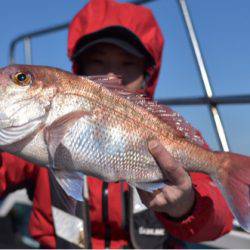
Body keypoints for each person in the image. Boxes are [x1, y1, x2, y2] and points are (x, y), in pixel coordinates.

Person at [0, 0, 233, 248]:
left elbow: (221, 219)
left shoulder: (172, 133)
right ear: (79, 68)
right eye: (97, 62)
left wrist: (187, 207)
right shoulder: (23, 138)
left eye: (128, 64)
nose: (111, 76)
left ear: (147, 74)